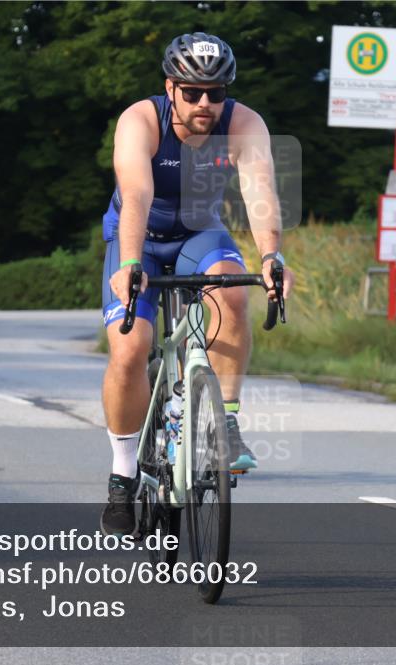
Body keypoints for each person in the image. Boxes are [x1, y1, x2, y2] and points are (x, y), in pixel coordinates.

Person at [99, 33, 295, 535]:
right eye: (192, 92)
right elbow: (136, 193)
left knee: (232, 289)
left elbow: (260, 191)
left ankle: (224, 423)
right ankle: (123, 471)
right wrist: (128, 263)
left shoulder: (244, 124)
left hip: (199, 233)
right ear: (171, 88)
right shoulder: (140, 120)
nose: (205, 103)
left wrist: (272, 256)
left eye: (216, 92)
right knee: (129, 348)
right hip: (138, 238)